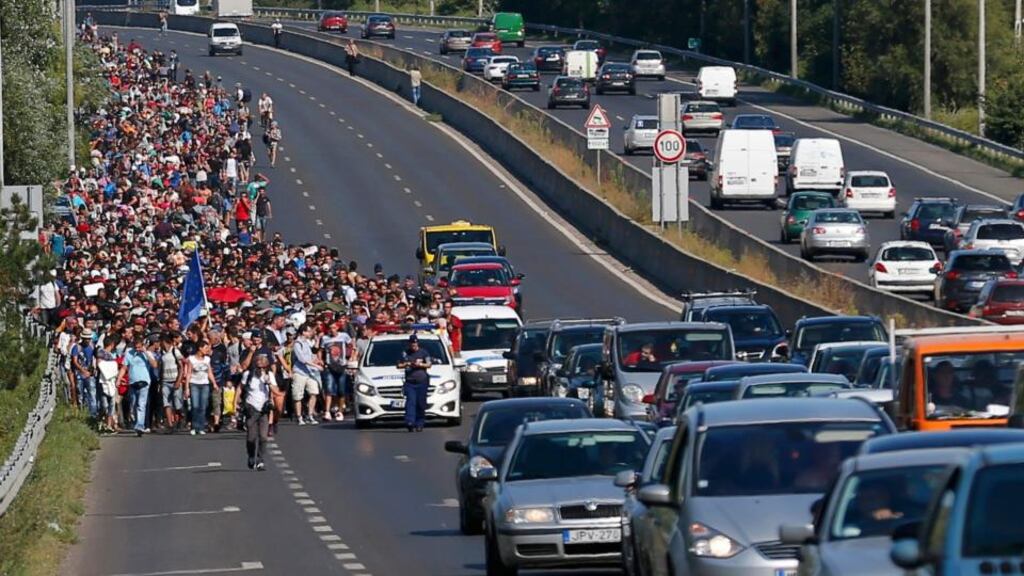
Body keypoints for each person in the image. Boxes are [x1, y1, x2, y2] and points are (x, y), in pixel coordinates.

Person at [240, 353, 275, 470]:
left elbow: (275, 391)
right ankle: (251, 456)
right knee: (251, 437)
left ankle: (260, 460)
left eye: (263, 367)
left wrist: (268, 382)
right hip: (251, 408)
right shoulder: (248, 375)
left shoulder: (269, 375)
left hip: (264, 409)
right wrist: (236, 402)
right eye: (258, 367)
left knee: (263, 437)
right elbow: (240, 388)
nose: (261, 369)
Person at [120, 336, 158, 437]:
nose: (137, 349)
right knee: (133, 404)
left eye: (139, 347)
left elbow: (154, 365)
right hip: (133, 382)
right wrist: (119, 379)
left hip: (144, 381)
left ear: (143, 345)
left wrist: (145, 352)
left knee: (141, 404)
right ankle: (136, 422)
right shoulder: (129, 354)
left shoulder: (147, 353)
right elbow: (124, 367)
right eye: (136, 347)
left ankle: (140, 426)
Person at [183, 340, 219, 435]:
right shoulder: (191, 359)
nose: (207, 350)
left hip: (205, 384)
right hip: (194, 383)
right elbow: (189, 373)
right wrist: (186, 388)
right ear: (200, 348)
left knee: (203, 406)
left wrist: (214, 383)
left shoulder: (207, 359)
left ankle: (201, 426)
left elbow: (209, 372)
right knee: (195, 406)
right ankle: (194, 427)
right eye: (206, 348)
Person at [291, 322, 324, 425]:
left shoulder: (306, 343)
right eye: (309, 331)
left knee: (314, 392)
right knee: (298, 395)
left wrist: (317, 360)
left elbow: (310, 355)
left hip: (310, 372)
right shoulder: (297, 343)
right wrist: (316, 365)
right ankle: (299, 416)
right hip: (300, 372)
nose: (310, 333)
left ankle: (310, 415)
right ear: (303, 332)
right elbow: (302, 359)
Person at [397, 334, 431, 432]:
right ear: (409, 344)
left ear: (418, 343)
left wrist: (420, 364)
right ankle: (410, 422)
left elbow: (429, 364)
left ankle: (420, 423)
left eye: (415, 343)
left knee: (420, 403)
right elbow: (398, 365)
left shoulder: (424, 353)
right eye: (412, 344)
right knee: (411, 402)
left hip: (422, 382)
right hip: (410, 382)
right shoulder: (405, 353)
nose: (414, 345)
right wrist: (407, 364)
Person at [160, 331, 185, 433]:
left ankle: (180, 417)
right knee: (166, 403)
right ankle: (170, 424)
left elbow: (181, 367)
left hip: (175, 379)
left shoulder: (175, 351)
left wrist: (179, 380)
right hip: (165, 381)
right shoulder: (162, 353)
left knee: (177, 403)